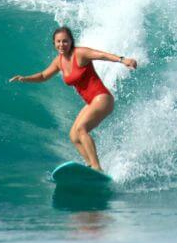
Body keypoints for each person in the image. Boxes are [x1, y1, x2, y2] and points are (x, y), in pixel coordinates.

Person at [9, 26, 137, 171]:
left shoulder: (80, 53)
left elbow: (101, 55)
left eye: (65, 41)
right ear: (54, 43)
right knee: (74, 136)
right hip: (91, 102)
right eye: (58, 42)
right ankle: (90, 166)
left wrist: (122, 59)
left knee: (81, 128)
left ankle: (96, 167)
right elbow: (44, 76)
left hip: (102, 98)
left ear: (71, 42)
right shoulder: (59, 61)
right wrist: (24, 78)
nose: (61, 45)